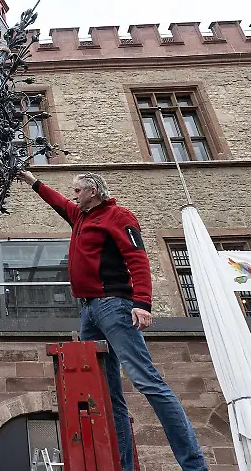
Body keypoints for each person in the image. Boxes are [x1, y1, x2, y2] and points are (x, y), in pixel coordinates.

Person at [19, 171, 208, 471]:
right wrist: (32, 181)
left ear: (92, 191)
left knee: (148, 381)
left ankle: (194, 465)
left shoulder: (118, 216)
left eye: (78, 191)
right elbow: (57, 202)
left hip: (114, 307)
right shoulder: (80, 217)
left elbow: (138, 259)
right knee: (108, 395)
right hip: (89, 313)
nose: (74, 196)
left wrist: (142, 303)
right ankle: (124, 466)